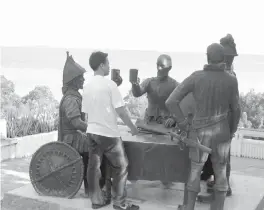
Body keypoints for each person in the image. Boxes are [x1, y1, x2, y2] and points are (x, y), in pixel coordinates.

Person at [165, 43, 241, 210]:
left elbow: (171, 101)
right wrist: (231, 130)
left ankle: (189, 207)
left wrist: (183, 124)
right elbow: (236, 110)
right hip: (222, 132)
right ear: (223, 58)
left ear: (207, 57)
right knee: (220, 171)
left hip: (199, 132)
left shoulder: (196, 77)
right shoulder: (231, 80)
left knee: (195, 171)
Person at [82, 51, 140, 210]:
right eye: (108, 63)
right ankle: (120, 203)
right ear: (101, 65)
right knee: (121, 167)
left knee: (94, 167)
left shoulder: (87, 86)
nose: (109, 66)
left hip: (92, 131)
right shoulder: (110, 85)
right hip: (108, 134)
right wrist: (133, 128)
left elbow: (86, 112)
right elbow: (121, 111)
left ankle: (96, 201)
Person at [201, 34, 239, 197]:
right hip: (221, 120)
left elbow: (234, 106)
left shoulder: (229, 74)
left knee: (223, 155)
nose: (230, 59)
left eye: (231, 57)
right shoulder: (228, 73)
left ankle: (223, 185)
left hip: (223, 119)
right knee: (218, 154)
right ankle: (216, 180)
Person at [58, 51, 90, 196]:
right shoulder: (71, 99)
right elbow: (76, 123)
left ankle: (92, 189)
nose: (83, 80)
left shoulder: (75, 96)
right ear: (74, 80)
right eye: (81, 77)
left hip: (77, 138)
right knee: (92, 159)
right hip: (73, 140)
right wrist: (93, 128)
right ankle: (92, 190)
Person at [131, 54, 179, 128]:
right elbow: (137, 93)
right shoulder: (149, 82)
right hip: (148, 123)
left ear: (169, 68)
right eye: (158, 65)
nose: (159, 68)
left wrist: (174, 118)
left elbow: (184, 104)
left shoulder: (175, 85)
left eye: (162, 66)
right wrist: (135, 84)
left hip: (165, 125)